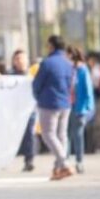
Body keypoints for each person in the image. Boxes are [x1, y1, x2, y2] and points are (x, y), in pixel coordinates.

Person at [32, 35, 75, 181]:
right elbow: (72, 83)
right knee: (62, 135)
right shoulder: (68, 63)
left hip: (49, 102)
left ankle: (64, 163)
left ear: (51, 46)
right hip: (65, 102)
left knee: (48, 134)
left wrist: (38, 97)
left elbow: (37, 84)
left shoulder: (47, 63)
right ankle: (58, 168)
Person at [67, 46, 95, 173]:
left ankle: (79, 161)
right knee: (65, 135)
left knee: (77, 135)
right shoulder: (68, 70)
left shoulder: (82, 70)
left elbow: (88, 91)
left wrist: (87, 109)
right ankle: (65, 161)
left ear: (72, 56)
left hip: (79, 107)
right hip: (66, 106)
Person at [11, 50, 37, 172]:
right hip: (14, 110)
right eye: (17, 59)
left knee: (29, 135)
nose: (20, 61)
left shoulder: (33, 75)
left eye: (22, 58)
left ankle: (29, 160)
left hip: (29, 109)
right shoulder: (9, 76)